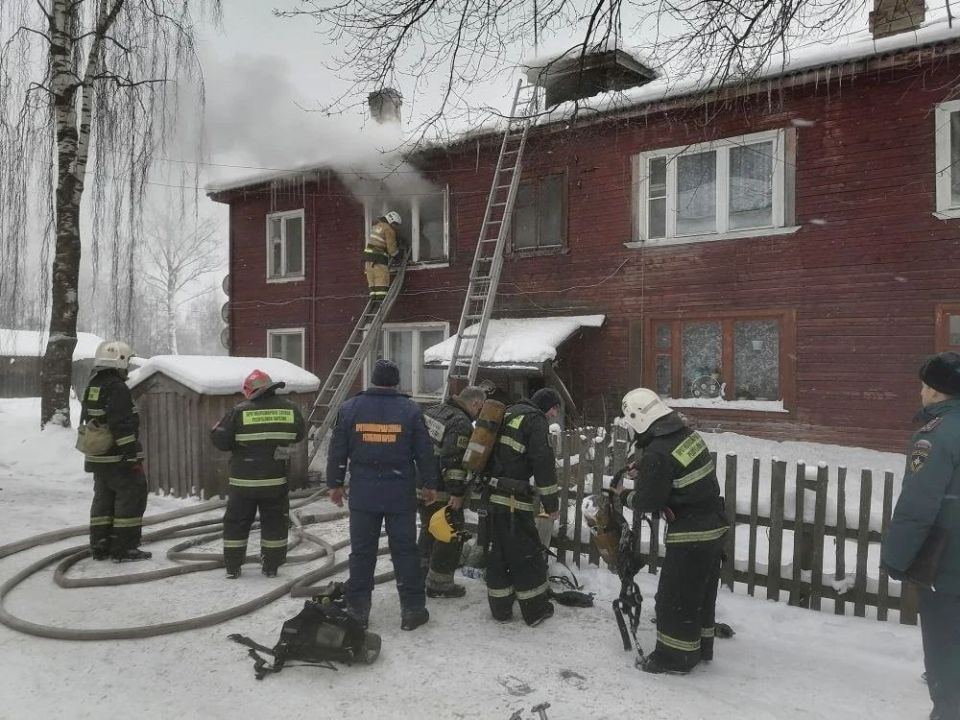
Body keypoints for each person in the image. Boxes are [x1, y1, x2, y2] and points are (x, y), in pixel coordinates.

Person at [613, 388, 728, 674]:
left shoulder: (658, 452)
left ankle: (674, 659)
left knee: (675, 599)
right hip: (713, 527)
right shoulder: (687, 436)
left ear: (639, 419)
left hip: (690, 535)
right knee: (700, 595)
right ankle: (701, 649)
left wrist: (623, 495)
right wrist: (646, 468)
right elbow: (676, 468)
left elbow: (648, 501)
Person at [326, 359, 439, 631]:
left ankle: (357, 611)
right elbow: (424, 451)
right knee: (405, 551)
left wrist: (335, 483)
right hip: (400, 493)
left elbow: (338, 449)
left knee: (362, 553)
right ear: (396, 382)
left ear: (372, 380)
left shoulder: (350, 408)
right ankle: (412, 610)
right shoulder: (410, 410)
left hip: (364, 494)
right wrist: (430, 484)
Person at [881, 351, 960, 720]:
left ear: (934, 391)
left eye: (924, 385)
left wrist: (896, 558)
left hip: (950, 566)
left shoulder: (936, 436)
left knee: (947, 654)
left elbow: (919, 504)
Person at [210, 369, 307, 579]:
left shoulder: (239, 411)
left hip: (242, 483)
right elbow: (299, 435)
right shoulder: (290, 410)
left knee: (236, 522)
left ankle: (233, 567)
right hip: (275, 481)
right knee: (274, 522)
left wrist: (218, 431)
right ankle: (271, 566)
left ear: (250, 390)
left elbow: (221, 441)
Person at [482, 387, 562, 626]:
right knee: (525, 556)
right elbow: (543, 464)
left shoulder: (507, 413)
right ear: (548, 407)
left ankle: (500, 609)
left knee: (497, 555)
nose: (554, 416)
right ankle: (535, 610)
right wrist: (551, 505)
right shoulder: (535, 421)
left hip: (492, 496)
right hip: (514, 500)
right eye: (555, 411)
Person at [80, 340, 151, 562]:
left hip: (98, 457)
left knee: (104, 499)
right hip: (118, 457)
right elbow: (122, 424)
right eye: (127, 362)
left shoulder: (94, 384)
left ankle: (101, 545)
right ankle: (125, 548)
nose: (128, 367)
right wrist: (131, 455)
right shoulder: (116, 387)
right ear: (120, 360)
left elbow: (88, 418)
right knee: (131, 498)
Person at [419, 385, 486, 598]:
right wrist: (456, 492)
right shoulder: (461, 423)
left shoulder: (432, 411)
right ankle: (439, 585)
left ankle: (420, 574)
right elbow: (453, 460)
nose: (479, 413)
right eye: (480, 408)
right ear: (475, 403)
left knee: (430, 528)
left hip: (420, 485)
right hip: (440, 490)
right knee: (451, 533)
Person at [364, 211, 402, 301]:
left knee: (372, 279)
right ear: (391, 221)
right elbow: (391, 248)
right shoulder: (389, 229)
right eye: (395, 224)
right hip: (378, 258)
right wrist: (397, 256)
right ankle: (380, 301)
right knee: (382, 278)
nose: (395, 227)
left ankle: (373, 298)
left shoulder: (377, 226)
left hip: (368, 258)